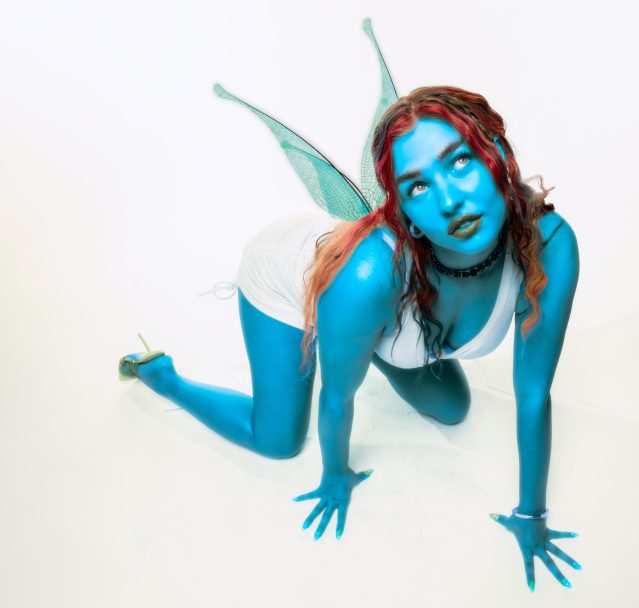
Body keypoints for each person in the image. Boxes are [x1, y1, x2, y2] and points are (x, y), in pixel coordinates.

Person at [118, 85, 581, 591]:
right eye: (418, 187)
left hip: (378, 305)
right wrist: (335, 474)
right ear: (406, 216)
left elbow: (533, 393)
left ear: (498, 154)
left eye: (461, 160)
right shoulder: (367, 276)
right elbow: (337, 396)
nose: (450, 200)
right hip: (291, 277)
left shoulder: (550, 244)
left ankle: (365, 336)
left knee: (454, 408)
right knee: (276, 439)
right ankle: (163, 377)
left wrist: (531, 515)